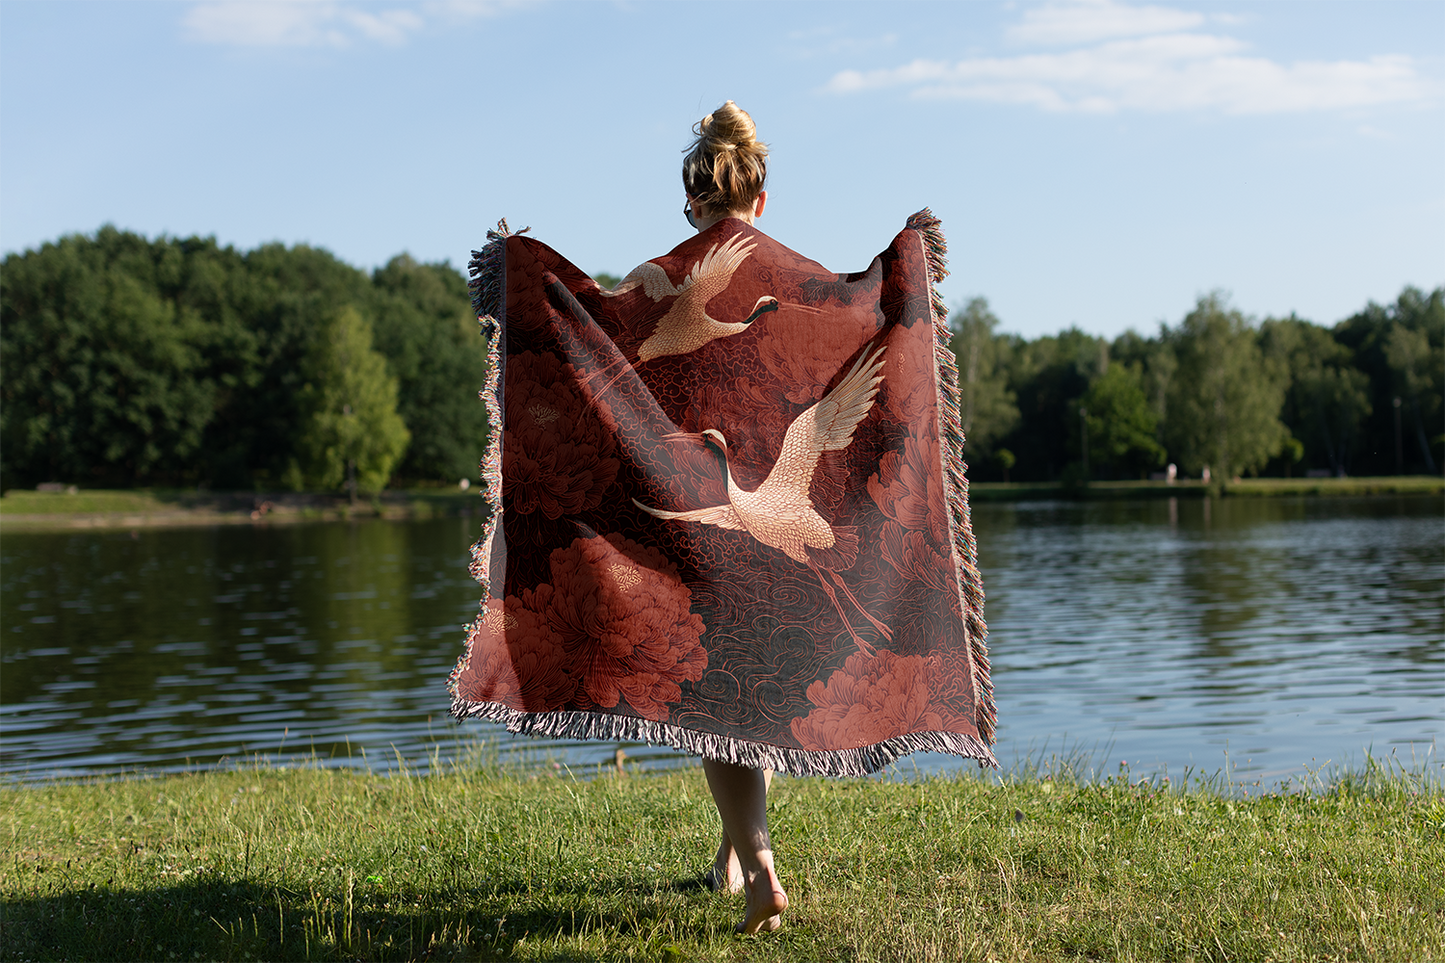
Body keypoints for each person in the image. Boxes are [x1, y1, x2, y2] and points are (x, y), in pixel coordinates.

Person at [678, 100, 787, 935]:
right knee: (754, 693)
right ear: (761, 196)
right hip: (780, 517)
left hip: (702, 519)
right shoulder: (799, 280)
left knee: (716, 702)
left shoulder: (663, 278)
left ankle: (761, 871)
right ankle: (728, 859)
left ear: (693, 201)